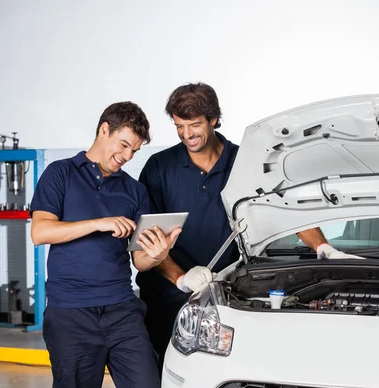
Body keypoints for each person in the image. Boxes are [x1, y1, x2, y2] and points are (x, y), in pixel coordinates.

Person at [30, 101, 187, 388]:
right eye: (123, 145)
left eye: (133, 150)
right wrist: (97, 223)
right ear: (103, 130)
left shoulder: (133, 191)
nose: (126, 157)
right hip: (71, 313)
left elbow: (139, 258)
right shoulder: (60, 174)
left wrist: (155, 253)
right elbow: (41, 231)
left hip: (121, 309)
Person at [137, 83, 358, 368]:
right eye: (179, 126)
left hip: (229, 293)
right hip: (167, 297)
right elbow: (148, 238)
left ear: (213, 119)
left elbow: (284, 207)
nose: (186, 134)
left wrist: (323, 247)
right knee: (167, 379)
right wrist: (181, 278)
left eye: (194, 125)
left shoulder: (245, 161)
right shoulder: (159, 167)